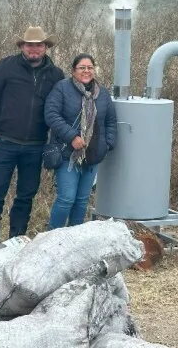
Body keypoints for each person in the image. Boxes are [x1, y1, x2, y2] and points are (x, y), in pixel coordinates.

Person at [0, 26, 64, 247]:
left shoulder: (55, 74)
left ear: (46, 47)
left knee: (26, 195)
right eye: (30, 45)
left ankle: (16, 240)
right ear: (22, 46)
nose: (34, 49)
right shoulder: (6, 66)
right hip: (5, 142)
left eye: (39, 45)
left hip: (36, 145)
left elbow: (61, 107)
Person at [45, 53, 117, 229]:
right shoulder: (61, 88)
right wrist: (72, 136)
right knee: (66, 198)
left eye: (90, 67)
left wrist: (107, 144)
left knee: (82, 199)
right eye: (82, 68)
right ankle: (52, 238)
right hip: (67, 154)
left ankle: (75, 237)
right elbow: (51, 115)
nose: (86, 71)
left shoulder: (102, 93)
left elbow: (110, 121)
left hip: (93, 155)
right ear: (73, 71)